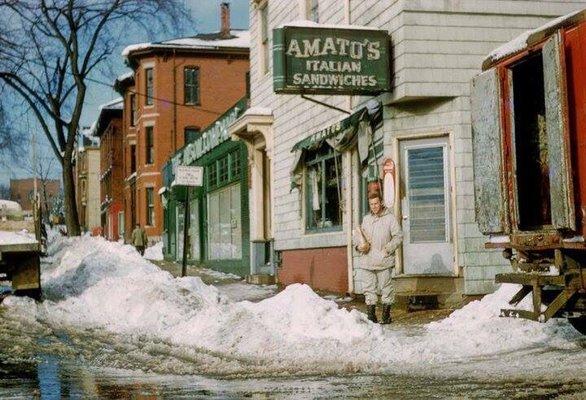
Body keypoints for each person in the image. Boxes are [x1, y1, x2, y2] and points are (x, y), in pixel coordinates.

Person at [356, 192, 403, 324]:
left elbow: (398, 236)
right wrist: (359, 247)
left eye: (376, 203)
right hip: (367, 260)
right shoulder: (366, 219)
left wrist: (388, 249)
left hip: (383, 261)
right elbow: (359, 237)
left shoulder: (390, 219)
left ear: (381, 202)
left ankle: (386, 316)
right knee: (368, 289)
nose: (374, 206)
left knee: (386, 288)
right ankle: (371, 317)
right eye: (371, 204)